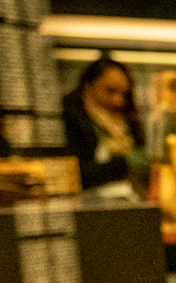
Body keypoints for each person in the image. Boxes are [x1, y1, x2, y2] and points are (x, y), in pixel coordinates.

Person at [62, 56, 148, 191]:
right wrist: (123, 164)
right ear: (89, 86)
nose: (118, 101)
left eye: (124, 94)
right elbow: (73, 174)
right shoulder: (68, 117)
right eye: (110, 91)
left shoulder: (129, 120)